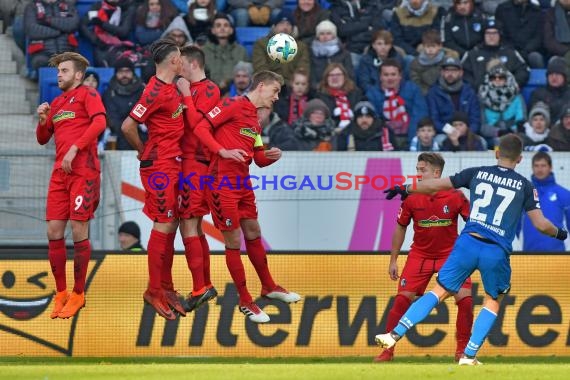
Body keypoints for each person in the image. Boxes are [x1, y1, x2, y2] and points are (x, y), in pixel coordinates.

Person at [378, 134, 569, 365]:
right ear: (520, 159)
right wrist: (561, 233)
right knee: (492, 300)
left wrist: (407, 188)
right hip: (495, 251)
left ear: (497, 153)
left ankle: (393, 334)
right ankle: (468, 355)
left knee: (438, 291)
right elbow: (541, 225)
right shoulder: (526, 186)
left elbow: (435, 185)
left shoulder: (476, 173)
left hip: (467, 244)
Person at [184, 70, 301, 323]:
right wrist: (222, 151)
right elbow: (201, 127)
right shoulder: (232, 105)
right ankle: (245, 300)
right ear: (261, 86)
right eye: (275, 91)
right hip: (221, 182)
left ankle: (268, 286)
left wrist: (270, 156)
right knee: (234, 239)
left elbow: (257, 159)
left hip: (242, 182)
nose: (277, 97)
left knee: (254, 232)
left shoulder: (255, 120)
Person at [374, 152, 472, 362]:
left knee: (465, 300)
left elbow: (472, 226)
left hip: (450, 256)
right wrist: (393, 260)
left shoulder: (456, 196)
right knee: (401, 300)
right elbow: (400, 227)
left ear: (436, 173)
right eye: (417, 169)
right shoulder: (411, 196)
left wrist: (469, 254)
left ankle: (462, 351)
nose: (418, 174)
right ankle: (387, 350)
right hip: (420, 255)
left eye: (422, 170)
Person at [35, 52, 107, 320]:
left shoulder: (88, 94)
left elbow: (100, 122)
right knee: (53, 230)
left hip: (83, 171)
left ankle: (79, 293)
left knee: (78, 228)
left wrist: (75, 148)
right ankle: (61, 292)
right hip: (60, 173)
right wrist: (43, 120)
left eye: (64, 71)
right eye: (58, 71)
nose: (59, 75)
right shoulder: (57, 102)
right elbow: (43, 139)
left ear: (78, 75)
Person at [121, 38, 185, 321]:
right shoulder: (155, 90)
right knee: (163, 223)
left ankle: (166, 287)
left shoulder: (170, 88)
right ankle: (153, 290)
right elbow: (127, 125)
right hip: (159, 166)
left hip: (172, 163)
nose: (182, 61)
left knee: (170, 223)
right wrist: (142, 150)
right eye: (181, 57)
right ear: (173, 61)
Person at [176, 45, 221, 313]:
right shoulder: (189, 90)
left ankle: (199, 288)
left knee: (189, 225)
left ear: (192, 64)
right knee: (194, 226)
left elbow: (196, 125)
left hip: (197, 163)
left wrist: (184, 95)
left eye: (180, 63)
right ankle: (204, 284)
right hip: (188, 163)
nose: (177, 68)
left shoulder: (209, 90)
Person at [520, 152, 570, 252]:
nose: (540, 169)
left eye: (543, 165)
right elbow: (515, 227)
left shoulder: (565, 194)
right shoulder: (522, 193)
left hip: (558, 255)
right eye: (536, 166)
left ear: (550, 167)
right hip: (528, 255)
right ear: (532, 168)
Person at [102, 58, 146, 151]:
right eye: (121, 72)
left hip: (140, 133)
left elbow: (144, 113)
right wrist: (126, 130)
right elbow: (112, 117)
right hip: (118, 135)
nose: (124, 75)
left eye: (127, 71)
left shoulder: (142, 91)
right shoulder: (109, 93)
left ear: (133, 73)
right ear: (116, 73)